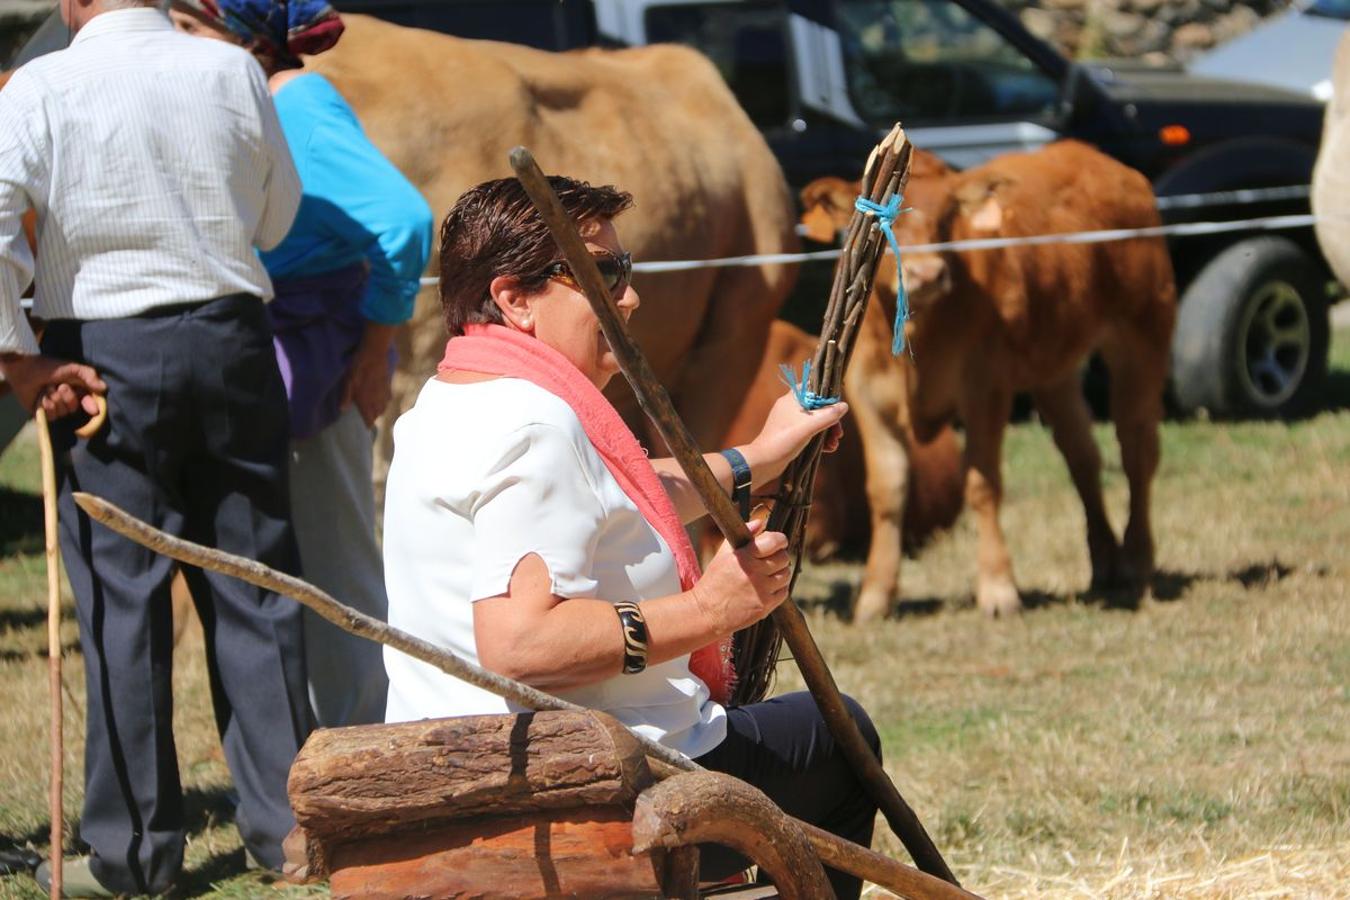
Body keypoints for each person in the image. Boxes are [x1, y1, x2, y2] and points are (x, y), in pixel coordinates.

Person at [382, 175, 881, 899]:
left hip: (466, 762)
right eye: (602, 274)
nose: (630, 297)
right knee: (841, 739)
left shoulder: (452, 400)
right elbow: (521, 644)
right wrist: (710, 612)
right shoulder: (533, 426)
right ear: (516, 298)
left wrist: (759, 459)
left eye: (625, 271)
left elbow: (620, 491)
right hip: (579, 786)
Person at [0, 0, 309, 895]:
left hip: (103, 355)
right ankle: (290, 832)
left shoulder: (41, 86)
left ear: (69, 3)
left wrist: (19, 360)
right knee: (259, 588)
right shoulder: (230, 69)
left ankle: (136, 856)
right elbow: (278, 218)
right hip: (232, 341)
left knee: (122, 606)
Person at [168, 0, 434, 728]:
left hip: (316, 358)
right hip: (274, 350)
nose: (176, 43)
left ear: (249, 40)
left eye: (191, 29)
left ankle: (371, 749)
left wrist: (377, 347)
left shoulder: (303, 105)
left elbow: (404, 220)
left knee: (335, 563)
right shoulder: (251, 103)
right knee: (289, 564)